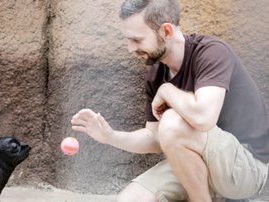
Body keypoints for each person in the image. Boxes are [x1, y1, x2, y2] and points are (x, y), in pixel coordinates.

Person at [70, 0, 269, 201]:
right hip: (196, 164)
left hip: (245, 167)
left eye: (137, 40)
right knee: (130, 199)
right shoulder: (155, 74)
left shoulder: (212, 52)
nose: (130, 48)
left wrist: (167, 90)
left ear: (166, 31)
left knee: (173, 121)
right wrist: (110, 136)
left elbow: (203, 118)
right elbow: (155, 138)